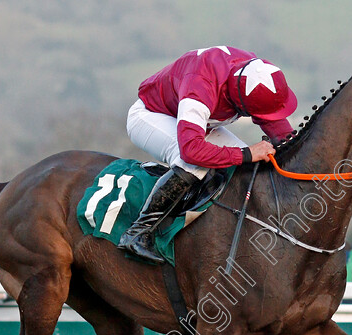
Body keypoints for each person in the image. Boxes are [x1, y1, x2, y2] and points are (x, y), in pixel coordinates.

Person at [118, 46, 298, 263]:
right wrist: (248, 152)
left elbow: (278, 128)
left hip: (199, 123)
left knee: (250, 168)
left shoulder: (258, 74)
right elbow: (191, 150)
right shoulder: (201, 87)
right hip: (152, 115)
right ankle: (138, 232)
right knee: (194, 164)